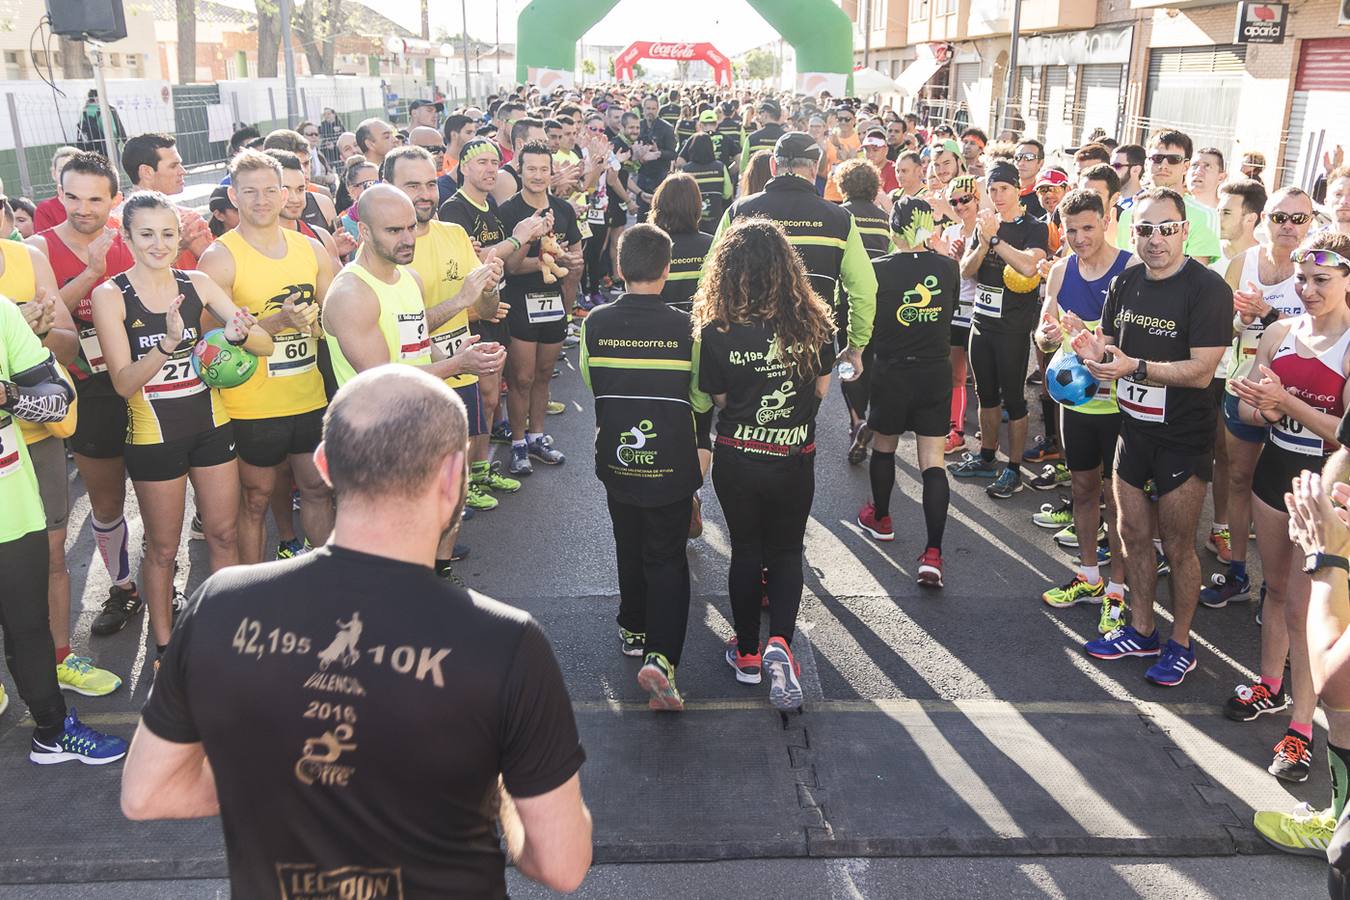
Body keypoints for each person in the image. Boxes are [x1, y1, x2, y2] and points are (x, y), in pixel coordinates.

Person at [120, 365, 592, 898]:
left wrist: (293, 776)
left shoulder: (219, 603)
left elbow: (148, 793)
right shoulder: (507, 643)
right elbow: (562, 864)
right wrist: (500, 790)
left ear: (323, 465)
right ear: (452, 476)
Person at [92, 191, 272, 663]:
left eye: (168, 233)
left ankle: (226, 633)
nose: (159, 243)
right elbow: (123, 382)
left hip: (213, 426)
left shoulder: (196, 282)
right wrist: (169, 344)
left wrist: (238, 335)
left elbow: (265, 344)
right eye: (147, 234)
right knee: (164, 548)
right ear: (127, 236)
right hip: (155, 437)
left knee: (224, 534)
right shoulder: (111, 295)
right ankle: (167, 647)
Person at [1071, 187, 1231, 686]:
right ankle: (1141, 629)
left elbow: (1204, 371)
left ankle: (1181, 644)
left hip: (1183, 437)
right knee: (1132, 534)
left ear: (1185, 231)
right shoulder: (1126, 281)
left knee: (1178, 546)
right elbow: (1112, 346)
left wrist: (1135, 366)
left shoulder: (1208, 289)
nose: (1156, 240)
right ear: (1132, 232)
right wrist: (1093, 348)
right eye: (1145, 229)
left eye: (1166, 229)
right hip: (1132, 430)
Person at [695, 217, 836, 710]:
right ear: (786, 266)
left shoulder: (716, 330)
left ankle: (749, 653)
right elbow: (821, 390)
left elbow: (717, 396)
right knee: (786, 551)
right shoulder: (813, 321)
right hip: (794, 458)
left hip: (739, 456)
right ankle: (781, 643)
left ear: (727, 270)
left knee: (746, 551)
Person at [1226, 231, 1350, 783]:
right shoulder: (1280, 331)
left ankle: (1304, 727)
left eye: (1321, 279)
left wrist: (1286, 401)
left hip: (1324, 486)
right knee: (1274, 591)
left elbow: (1345, 433)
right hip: (1276, 469)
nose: (1308, 289)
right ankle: (1269, 685)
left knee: (1305, 609)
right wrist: (1257, 403)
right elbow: (1255, 414)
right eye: (1302, 278)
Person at [580, 223, 710, 709]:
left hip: (617, 457)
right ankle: (661, 658)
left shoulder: (594, 323)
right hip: (672, 462)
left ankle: (632, 628)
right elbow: (698, 396)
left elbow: (592, 382)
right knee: (667, 556)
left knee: (627, 543)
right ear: (668, 269)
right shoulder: (686, 326)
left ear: (619, 268)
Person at [0, 293, 128, 764]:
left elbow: (57, 400)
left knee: (27, 624)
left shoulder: (0, 311)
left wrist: (9, 395)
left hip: (10, 507)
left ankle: (51, 733)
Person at [198, 149, 336, 564]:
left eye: (270, 191)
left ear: (285, 195)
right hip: (251, 405)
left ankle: (324, 578)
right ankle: (255, 586)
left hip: (308, 395)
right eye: (250, 192)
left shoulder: (309, 250)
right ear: (233, 196)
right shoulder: (220, 257)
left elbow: (332, 316)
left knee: (316, 489)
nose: (261, 200)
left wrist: (315, 324)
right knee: (256, 499)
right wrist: (275, 324)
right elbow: (207, 338)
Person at [27, 151, 144, 634]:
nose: (83, 208)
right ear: (59, 194)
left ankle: (164, 579)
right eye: (72, 196)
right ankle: (122, 588)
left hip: (142, 377)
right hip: (86, 388)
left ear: (114, 200)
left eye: (95, 199)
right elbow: (50, 322)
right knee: (106, 498)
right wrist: (92, 273)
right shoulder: (38, 248)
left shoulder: (135, 240)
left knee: (162, 492)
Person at [381, 146, 516, 519]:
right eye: (411, 185)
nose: (425, 194)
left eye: (429, 183)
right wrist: (461, 300)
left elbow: (486, 310)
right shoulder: (385, 251)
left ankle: (440, 563)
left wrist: (490, 287)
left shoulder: (455, 234)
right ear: (386, 188)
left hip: (460, 370)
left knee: (452, 482)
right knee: (416, 485)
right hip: (414, 383)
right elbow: (400, 330)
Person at [1204, 186, 1313, 609]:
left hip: (1297, 401)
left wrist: (1267, 314)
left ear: (1310, 224)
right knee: (1238, 479)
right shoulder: (1241, 263)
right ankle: (1237, 573)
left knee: (1284, 493)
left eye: (1298, 219)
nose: (1288, 227)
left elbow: (1318, 332)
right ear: (1263, 219)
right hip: (1243, 388)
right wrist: (1239, 318)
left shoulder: (1313, 268)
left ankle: (1279, 586)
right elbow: (1217, 330)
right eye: (1280, 217)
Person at [1033, 189, 1134, 630]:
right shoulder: (1060, 269)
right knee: (1082, 487)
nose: (1078, 237)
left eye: (1087, 227)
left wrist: (1092, 334)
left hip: (1120, 401)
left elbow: (1145, 341)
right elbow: (1042, 334)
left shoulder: (1130, 267)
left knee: (1123, 502)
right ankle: (1090, 576)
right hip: (1076, 401)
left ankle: (1119, 589)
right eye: (1071, 230)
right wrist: (1051, 335)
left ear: (1107, 220)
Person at [713, 131, 874, 401]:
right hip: (810, 343)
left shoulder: (739, 211)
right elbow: (865, 289)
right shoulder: (840, 218)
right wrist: (855, 346)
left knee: (744, 424)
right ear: (814, 169)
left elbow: (711, 276)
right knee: (801, 429)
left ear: (774, 167)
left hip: (747, 342)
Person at [854, 196, 958, 587]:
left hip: (892, 370)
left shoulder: (877, 269)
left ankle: (881, 517)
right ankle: (933, 553)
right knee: (933, 461)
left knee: (885, 446)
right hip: (934, 371)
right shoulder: (947, 268)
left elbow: (865, 320)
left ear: (892, 229)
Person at [947, 161, 1050, 498]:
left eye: (1003, 188)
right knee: (985, 396)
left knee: (1015, 401)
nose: (997, 195)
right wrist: (982, 241)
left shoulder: (1033, 227)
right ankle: (987, 456)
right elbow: (966, 271)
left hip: (1013, 329)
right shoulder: (985, 224)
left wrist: (995, 239)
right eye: (992, 190)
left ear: (1018, 189)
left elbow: (1029, 264)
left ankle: (1014, 469)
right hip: (981, 323)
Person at [497, 140, 583, 475]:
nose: (537, 175)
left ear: (552, 171)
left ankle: (537, 437)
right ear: (519, 170)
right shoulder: (508, 211)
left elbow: (575, 255)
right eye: (530, 168)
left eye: (543, 169)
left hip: (553, 306)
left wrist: (571, 266)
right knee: (521, 377)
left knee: (544, 375)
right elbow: (511, 267)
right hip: (519, 304)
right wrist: (538, 248)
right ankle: (518, 444)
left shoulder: (563, 209)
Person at [833, 158, 891, 464]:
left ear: (843, 186)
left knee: (850, 360)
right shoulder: (884, 218)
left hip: (848, 300)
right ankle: (870, 420)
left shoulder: (840, 215)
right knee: (872, 360)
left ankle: (856, 420)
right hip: (880, 299)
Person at [1117, 130, 1221, 264]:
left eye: (1173, 159)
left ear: (1186, 166)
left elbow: (1197, 277)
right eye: (1157, 158)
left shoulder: (1205, 215)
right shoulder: (1128, 214)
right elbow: (1126, 266)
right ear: (1147, 164)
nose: (1163, 165)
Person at [116, 133, 213, 269]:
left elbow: (218, 271)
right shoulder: (115, 226)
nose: (183, 171)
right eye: (174, 166)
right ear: (146, 172)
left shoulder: (189, 220)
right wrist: (178, 245)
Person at [650, 173, 713, 314]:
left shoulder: (648, 245)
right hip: (700, 326)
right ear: (697, 206)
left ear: (658, 203)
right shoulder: (712, 245)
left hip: (658, 328)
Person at [678, 134, 732, 233]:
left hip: (692, 221)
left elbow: (680, 195)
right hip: (715, 221)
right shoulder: (720, 167)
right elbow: (728, 193)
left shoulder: (686, 169)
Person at [34, 146, 80, 232]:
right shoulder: (45, 210)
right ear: (54, 174)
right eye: (61, 170)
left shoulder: (96, 203)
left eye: (73, 169)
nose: (67, 174)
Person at [74, 89, 125, 155]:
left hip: (89, 146)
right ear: (97, 98)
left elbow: (82, 129)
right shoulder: (106, 109)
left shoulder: (84, 111)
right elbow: (114, 130)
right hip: (107, 145)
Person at [1013, 138, 1047, 220]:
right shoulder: (1003, 190)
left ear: (1041, 163)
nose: (1021, 163)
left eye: (1029, 157)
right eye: (1018, 157)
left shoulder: (1044, 195)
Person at [1187, 147, 1227, 211]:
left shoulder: (1226, 214)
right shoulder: (1175, 210)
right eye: (1194, 165)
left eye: (1207, 166)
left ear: (1221, 178)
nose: (1198, 172)